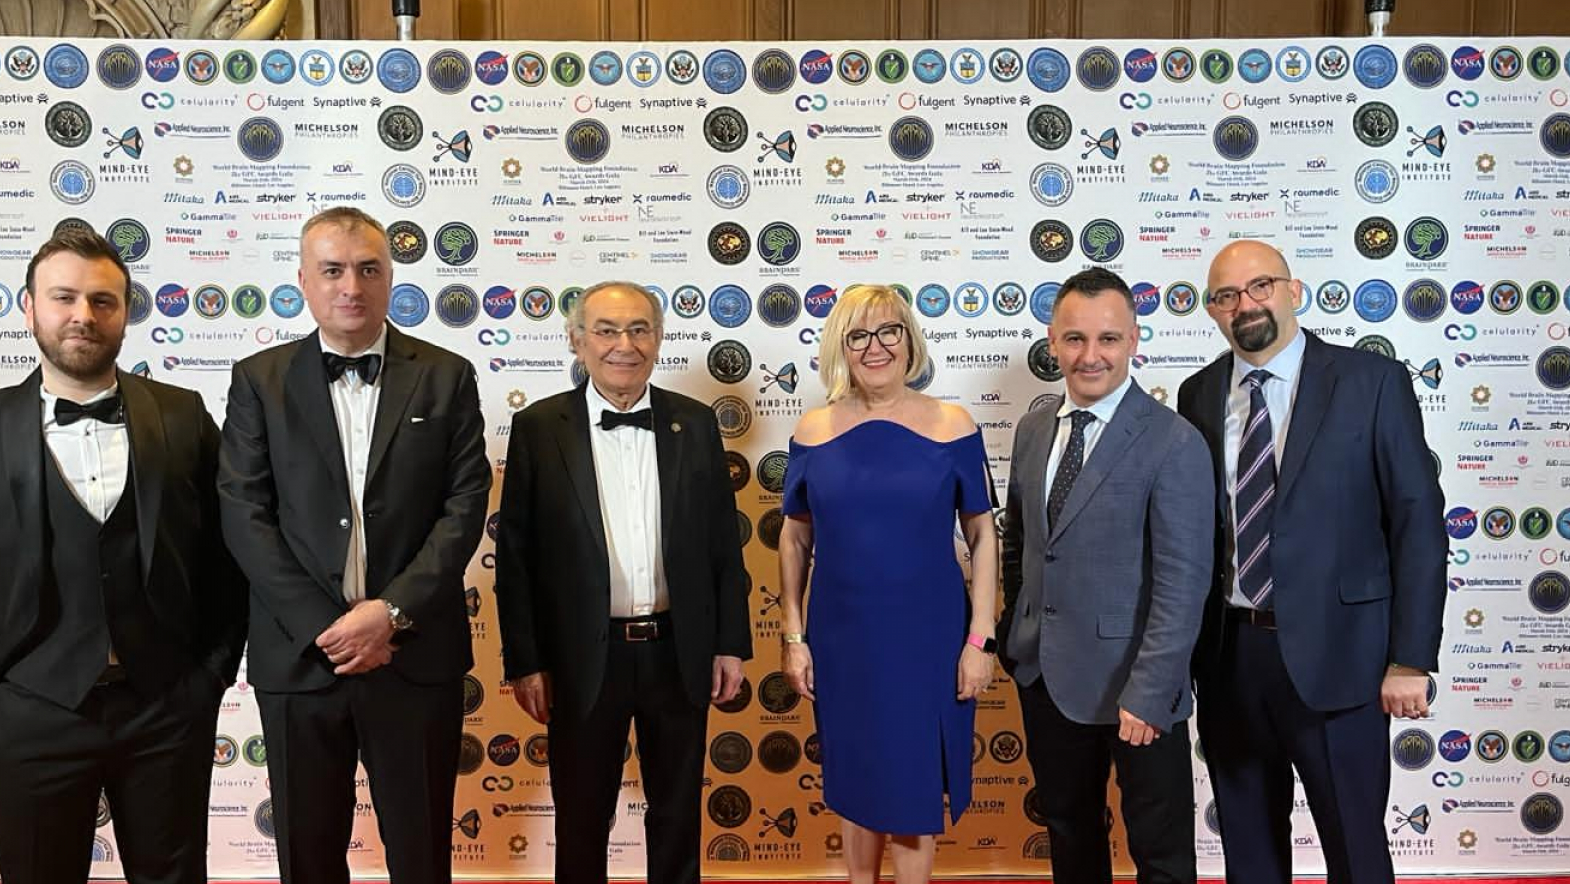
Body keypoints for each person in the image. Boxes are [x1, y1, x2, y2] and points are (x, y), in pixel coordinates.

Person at [0, 228, 247, 884]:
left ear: (126, 313)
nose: (83, 315)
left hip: (165, 711)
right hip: (26, 714)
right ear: (29, 307)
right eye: (64, 297)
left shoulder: (183, 416)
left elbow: (229, 558)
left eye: (102, 300)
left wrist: (208, 679)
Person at [218, 206, 490, 884]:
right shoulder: (258, 380)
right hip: (301, 658)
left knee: (421, 856)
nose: (351, 286)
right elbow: (244, 513)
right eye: (333, 270)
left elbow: (464, 507)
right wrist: (328, 628)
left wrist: (389, 614)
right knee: (308, 857)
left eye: (369, 269)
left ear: (390, 278)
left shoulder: (447, 375)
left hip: (414, 655)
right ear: (303, 282)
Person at [1178, 240, 1445, 884]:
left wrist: (1410, 659)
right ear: (1211, 311)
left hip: (1344, 658)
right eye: (1226, 295)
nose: (1245, 305)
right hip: (1230, 659)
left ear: (1293, 291)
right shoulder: (1197, 394)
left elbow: (1417, 523)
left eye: (1260, 286)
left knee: (1356, 851)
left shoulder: (1371, 382)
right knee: (1249, 855)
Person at [494, 281, 752, 884]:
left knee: (677, 816)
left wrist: (729, 643)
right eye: (607, 331)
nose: (624, 345)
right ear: (577, 340)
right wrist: (526, 662)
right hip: (581, 658)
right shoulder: (539, 427)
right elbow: (516, 558)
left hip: (677, 650)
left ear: (658, 338)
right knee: (582, 819)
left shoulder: (695, 422)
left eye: (639, 329)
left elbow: (722, 542)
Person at [776, 283, 998, 884]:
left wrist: (980, 640)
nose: (875, 347)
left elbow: (982, 535)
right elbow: (794, 539)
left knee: (913, 781)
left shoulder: (952, 424)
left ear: (909, 339)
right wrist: (793, 637)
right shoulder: (813, 430)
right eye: (858, 335)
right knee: (857, 778)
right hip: (843, 640)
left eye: (888, 331)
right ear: (840, 347)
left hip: (929, 639)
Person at [998, 267, 1212, 884]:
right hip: (1044, 677)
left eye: (1108, 339)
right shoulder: (1034, 428)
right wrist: (1018, 636)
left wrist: (1151, 688)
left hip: (1136, 685)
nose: (1090, 355)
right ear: (1053, 341)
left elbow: (1183, 582)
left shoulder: (1174, 440)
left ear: (1134, 340)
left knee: (1161, 852)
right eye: (1074, 338)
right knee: (1070, 834)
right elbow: (1022, 544)